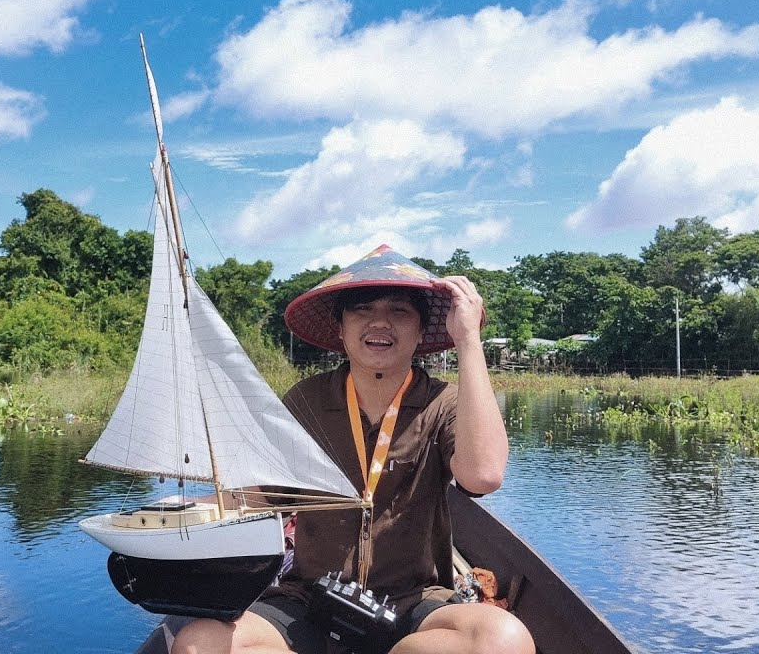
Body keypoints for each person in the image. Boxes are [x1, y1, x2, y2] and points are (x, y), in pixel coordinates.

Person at [172, 244, 534, 654]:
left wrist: (468, 340)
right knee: (198, 644)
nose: (380, 323)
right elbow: (261, 494)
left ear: (421, 330)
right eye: (362, 309)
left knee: (504, 640)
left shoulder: (445, 403)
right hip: (310, 596)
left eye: (399, 311)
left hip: (414, 602)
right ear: (340, 327)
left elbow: (483, 475)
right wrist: (179, 513)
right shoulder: (307, 400)